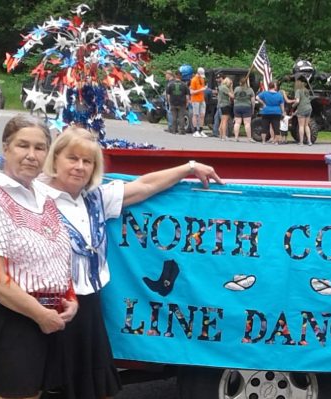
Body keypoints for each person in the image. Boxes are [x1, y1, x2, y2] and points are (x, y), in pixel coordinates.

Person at [34, 127, 222, 399]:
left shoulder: (95, 198)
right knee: (42, 385)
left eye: (87, 161)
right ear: (55, 159)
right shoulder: (34, 196)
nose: (79, 167)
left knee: (94, 388)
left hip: (88, 304)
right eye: (72, 158)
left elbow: (144, 186)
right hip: (48, 303)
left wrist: (189, 167)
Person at [0, 115, 77, 399]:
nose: (31, 155)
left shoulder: (44, 198)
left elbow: (57, 257)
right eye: (22, 146)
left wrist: (71, 299)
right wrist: (40, 314)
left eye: (40, 148)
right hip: (10, 317)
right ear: (6, 149)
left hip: (45, 316)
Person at [230, 76, 255, 142]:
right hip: (247, 107)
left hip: (237, 107)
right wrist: (253, 109)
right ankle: (249, 138)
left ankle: (236, 137)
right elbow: (253, 101)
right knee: (247, 123)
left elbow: (233, 97)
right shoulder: (250, 90)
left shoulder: (236, 89)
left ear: (240, 82)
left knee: (237, 123)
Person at [291, 80, 314, 146]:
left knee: (301, 126)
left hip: (302, 109)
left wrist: (293, 105)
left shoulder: (298, 91)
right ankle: (309, 141)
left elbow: (297, 101)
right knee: (306, 125)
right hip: (309, 108)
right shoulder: (306, 91)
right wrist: (295, 112)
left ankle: (301, 142)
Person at [189, 67, 208, 137]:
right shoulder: (193, 80)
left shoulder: (202, 79)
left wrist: (204, 89)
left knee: (202, 115)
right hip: (195, 99)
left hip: (202, 99)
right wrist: (201, 90)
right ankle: (195, 130)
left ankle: (201, 130)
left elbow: (202, 88)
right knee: (195, 114)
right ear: (198, 73)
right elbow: (191, 92)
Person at [216, 76, 233, 141]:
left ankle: (221, 135)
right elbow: (232, 96)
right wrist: (231, 87)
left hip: (221, 105)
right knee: (225, 121)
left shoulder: (220, 87)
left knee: (222, 121)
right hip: (225, 104)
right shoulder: (225, 88)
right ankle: (224, 136)